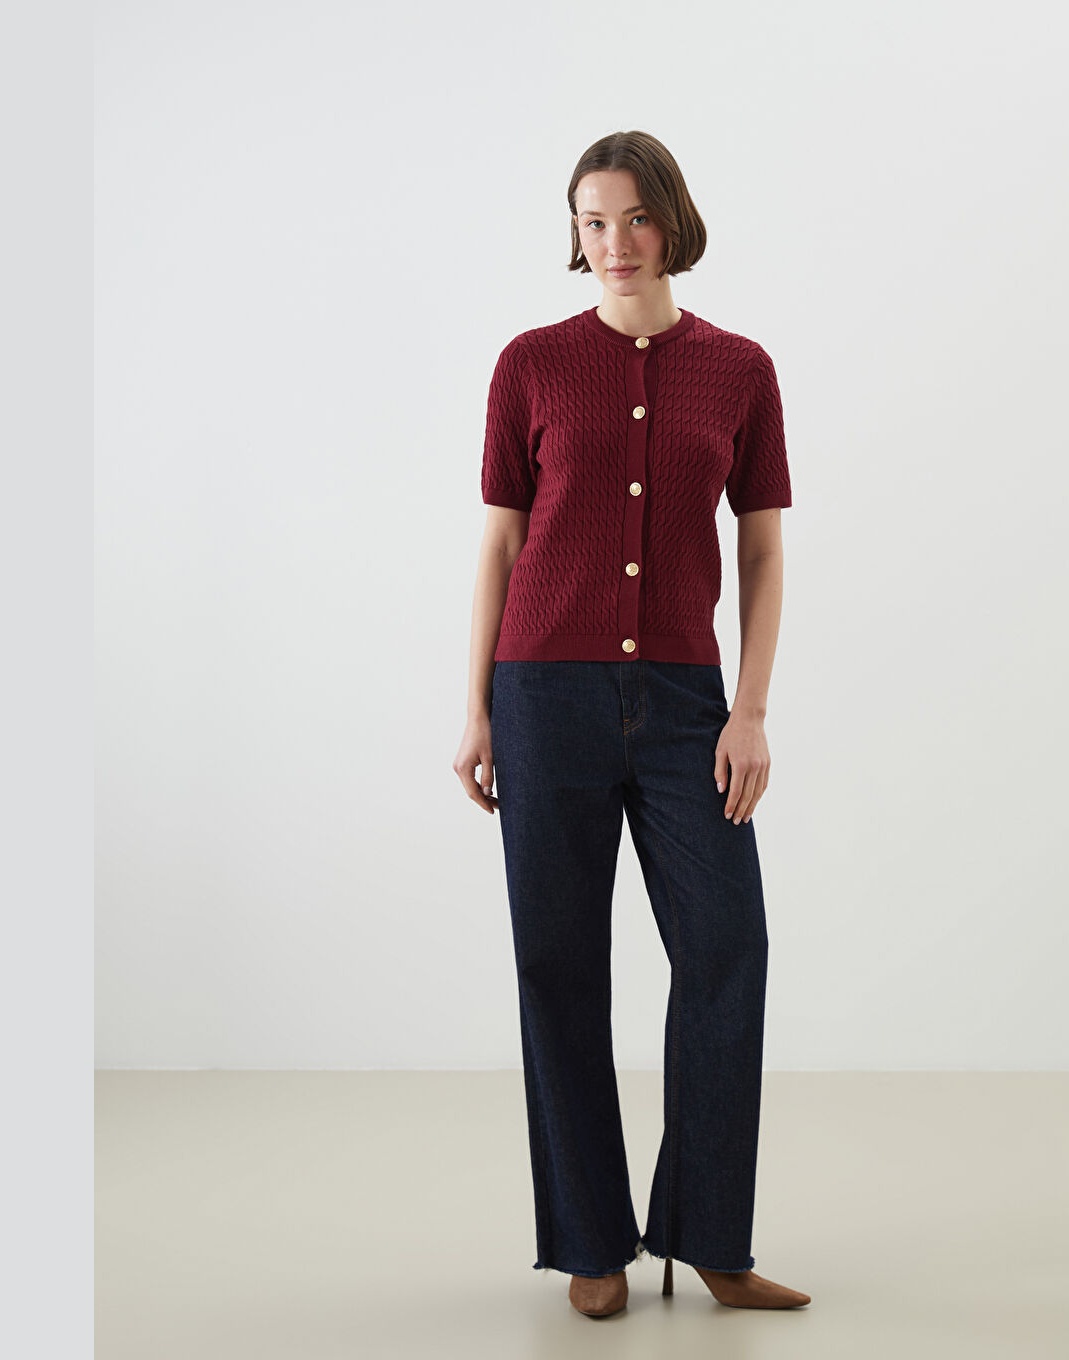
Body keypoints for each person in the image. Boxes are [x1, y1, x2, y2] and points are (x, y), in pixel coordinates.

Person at [452, 130, 811, 1319]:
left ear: (673, 223)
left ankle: (708, 1234)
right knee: (557, 963)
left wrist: (748, 708)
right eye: (592, 221)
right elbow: (502, 543)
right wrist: (475, 708)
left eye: (635, 218)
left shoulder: (740, 369)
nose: (614, 242)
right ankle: (590, 1242)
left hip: (684, 705)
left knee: (726, 948)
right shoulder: (531, 364)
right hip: (541, 693)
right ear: (574, 232)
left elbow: (762, 551)